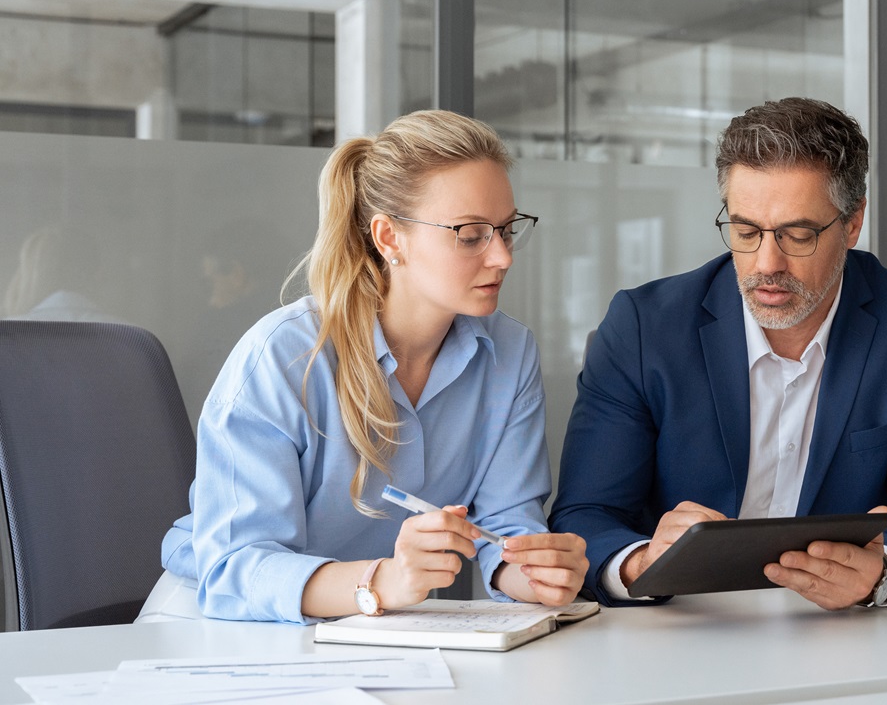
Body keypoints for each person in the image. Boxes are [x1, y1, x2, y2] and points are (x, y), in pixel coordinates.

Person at [140, 110, 589, 624]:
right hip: (218, 623)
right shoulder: (283, 357)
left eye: (507, 230)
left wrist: (538, 574)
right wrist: (384, 581)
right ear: (389, 237)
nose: (503, 257)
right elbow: (236, 569)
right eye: (471, 235)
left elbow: (506, 526)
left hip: (374, 630)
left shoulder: (509, 352)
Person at [551, 97, 887, 610]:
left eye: (797, 235)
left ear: (853, 223)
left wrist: (880, 576)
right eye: (746, 231)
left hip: (838, 632)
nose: (766, 264)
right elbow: (584, 513)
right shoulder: (645, 328)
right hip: (678, 626)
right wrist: (642, 562)